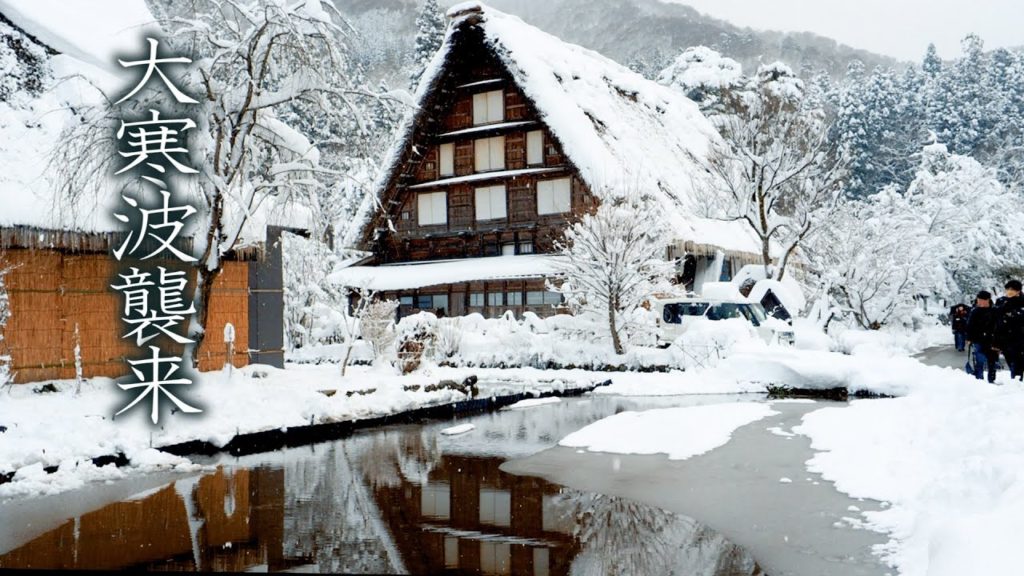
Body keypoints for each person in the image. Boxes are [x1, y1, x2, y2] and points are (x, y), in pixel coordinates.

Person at [991, 279, 1024, 381]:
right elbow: (995, 319)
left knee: (1019, 363)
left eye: (1013, 289)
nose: (1010, 291)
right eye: (1008, 289)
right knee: (1012, 362)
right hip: (1005, 338)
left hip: (1021, 337)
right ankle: (1016, 382)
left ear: (1018, 291)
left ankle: (1018, 382)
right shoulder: (1001, 301)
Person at [964, 290, 998, 382]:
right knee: (979, 360)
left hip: (991, 339)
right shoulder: (975, 311)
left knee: (992, 361)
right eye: (978, 300)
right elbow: (970, 325)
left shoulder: (995, 311)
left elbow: (999, 326)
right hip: (978, 339)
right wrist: (969, 338)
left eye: (981, 300)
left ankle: (991, 380)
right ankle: (979, 379)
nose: (979, 302)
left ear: (987, 300)